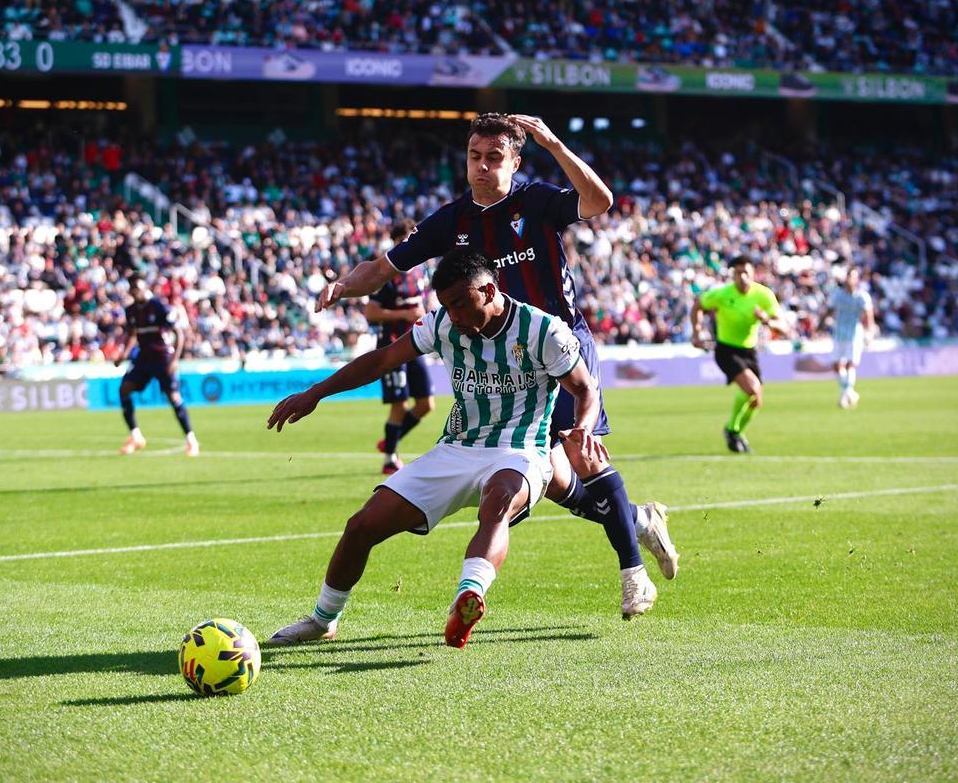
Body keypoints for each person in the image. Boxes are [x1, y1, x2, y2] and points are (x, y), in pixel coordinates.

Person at [314, 112, 678, 619]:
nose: (482, 168)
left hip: (556, 341)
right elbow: (383, 268)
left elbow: (599, 202)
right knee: (551, 476)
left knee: (582, 455)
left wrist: (552, 141)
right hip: (500, 353)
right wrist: (342, 286)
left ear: (514, 161)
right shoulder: (452, 220)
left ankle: (634, 575)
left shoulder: (536, 201)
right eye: (474, 157)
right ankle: (638, 519)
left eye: (494, 158)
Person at [267, 251, 619, 649]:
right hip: (456, 448)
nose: (452, 316)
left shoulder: (542, 330)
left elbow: (585, 388)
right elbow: (383, 359)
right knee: (361, 526)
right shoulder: (441, 324)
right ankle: (322, 619)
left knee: (498, 501)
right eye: (446, 306)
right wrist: (316, 393)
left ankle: (468, 599)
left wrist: (584, 429)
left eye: (459, 304)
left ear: (488, 291)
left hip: (520, 450)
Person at [690, 255, 793, 453]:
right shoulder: (721, 294)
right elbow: (698, 305)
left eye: (746, 272)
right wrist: (696, 332)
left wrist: (766, 321)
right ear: (733, 275)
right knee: (752, 389)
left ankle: (734, 431)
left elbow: (783, 327)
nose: (742, 277)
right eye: (738, 273)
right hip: (726, 350)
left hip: (749, 351)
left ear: (753, 273)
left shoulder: (763, 295)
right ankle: (731, 430)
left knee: (756, 399)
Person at [366, 220, 434, 474]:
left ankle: (390, 441)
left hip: (416, 343)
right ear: (395, 243)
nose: (409, 245)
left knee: (426, 404)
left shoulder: (419, 271)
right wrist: (403, 316)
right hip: (392, 346)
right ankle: (390, 458)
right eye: (404, 241)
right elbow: (371, 313)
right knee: (400, 404)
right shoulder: (387, 274)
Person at [114, 273, 200, 457]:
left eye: (138, 288)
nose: (135, 292)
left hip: (162, 358)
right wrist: (123, 354)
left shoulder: (159, 307)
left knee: (173, 397)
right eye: (133, 289)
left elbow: (179, 333)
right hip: (144, 357)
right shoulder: (131, 310)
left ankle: (191, 440)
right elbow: (132, 334)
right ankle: (136, 436)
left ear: (145, 287)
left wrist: (175, 359)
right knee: (124, 389)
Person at [820, 268, 875, 409]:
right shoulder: (838, 295)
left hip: (855, 333)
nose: (850, 279)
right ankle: (850, 392)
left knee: (851, 363)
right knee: (836, 365)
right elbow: (830, 310)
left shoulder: (862, 296)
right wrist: (820, 325)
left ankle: (845, 395)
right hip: (839, 332)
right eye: (849, 276)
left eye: (853, 277)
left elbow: (869, 315)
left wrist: (869, 332)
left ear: (857, 280)